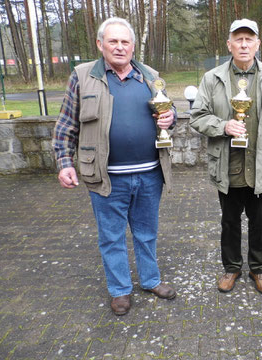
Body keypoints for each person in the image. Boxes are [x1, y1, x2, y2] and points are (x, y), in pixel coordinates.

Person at [53, 17, 177, 316]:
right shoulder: (83, 76)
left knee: (147, 232)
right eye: (113, 41)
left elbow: (168, 110)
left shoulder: (150, 76)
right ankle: (120, 290)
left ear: (133, 46)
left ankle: (150, 280)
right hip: (106, 177)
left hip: (149, 174)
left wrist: (170, 117)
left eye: (125, 42)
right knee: (111, 236)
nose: (120, 47)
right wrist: (64, 162)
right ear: (100, 44)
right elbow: (66, 125)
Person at [190, 19, 262, 295]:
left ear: (258, 44)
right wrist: (223, 125)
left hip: (260, 164)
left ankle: (259, 269)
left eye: (249, 39)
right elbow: (197, 116)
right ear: (229, 44)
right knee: (229, 221)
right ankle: (232, 267)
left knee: (259, 221)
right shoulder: (212, 78)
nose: (244, 44)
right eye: (238, 39)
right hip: (228, 164)